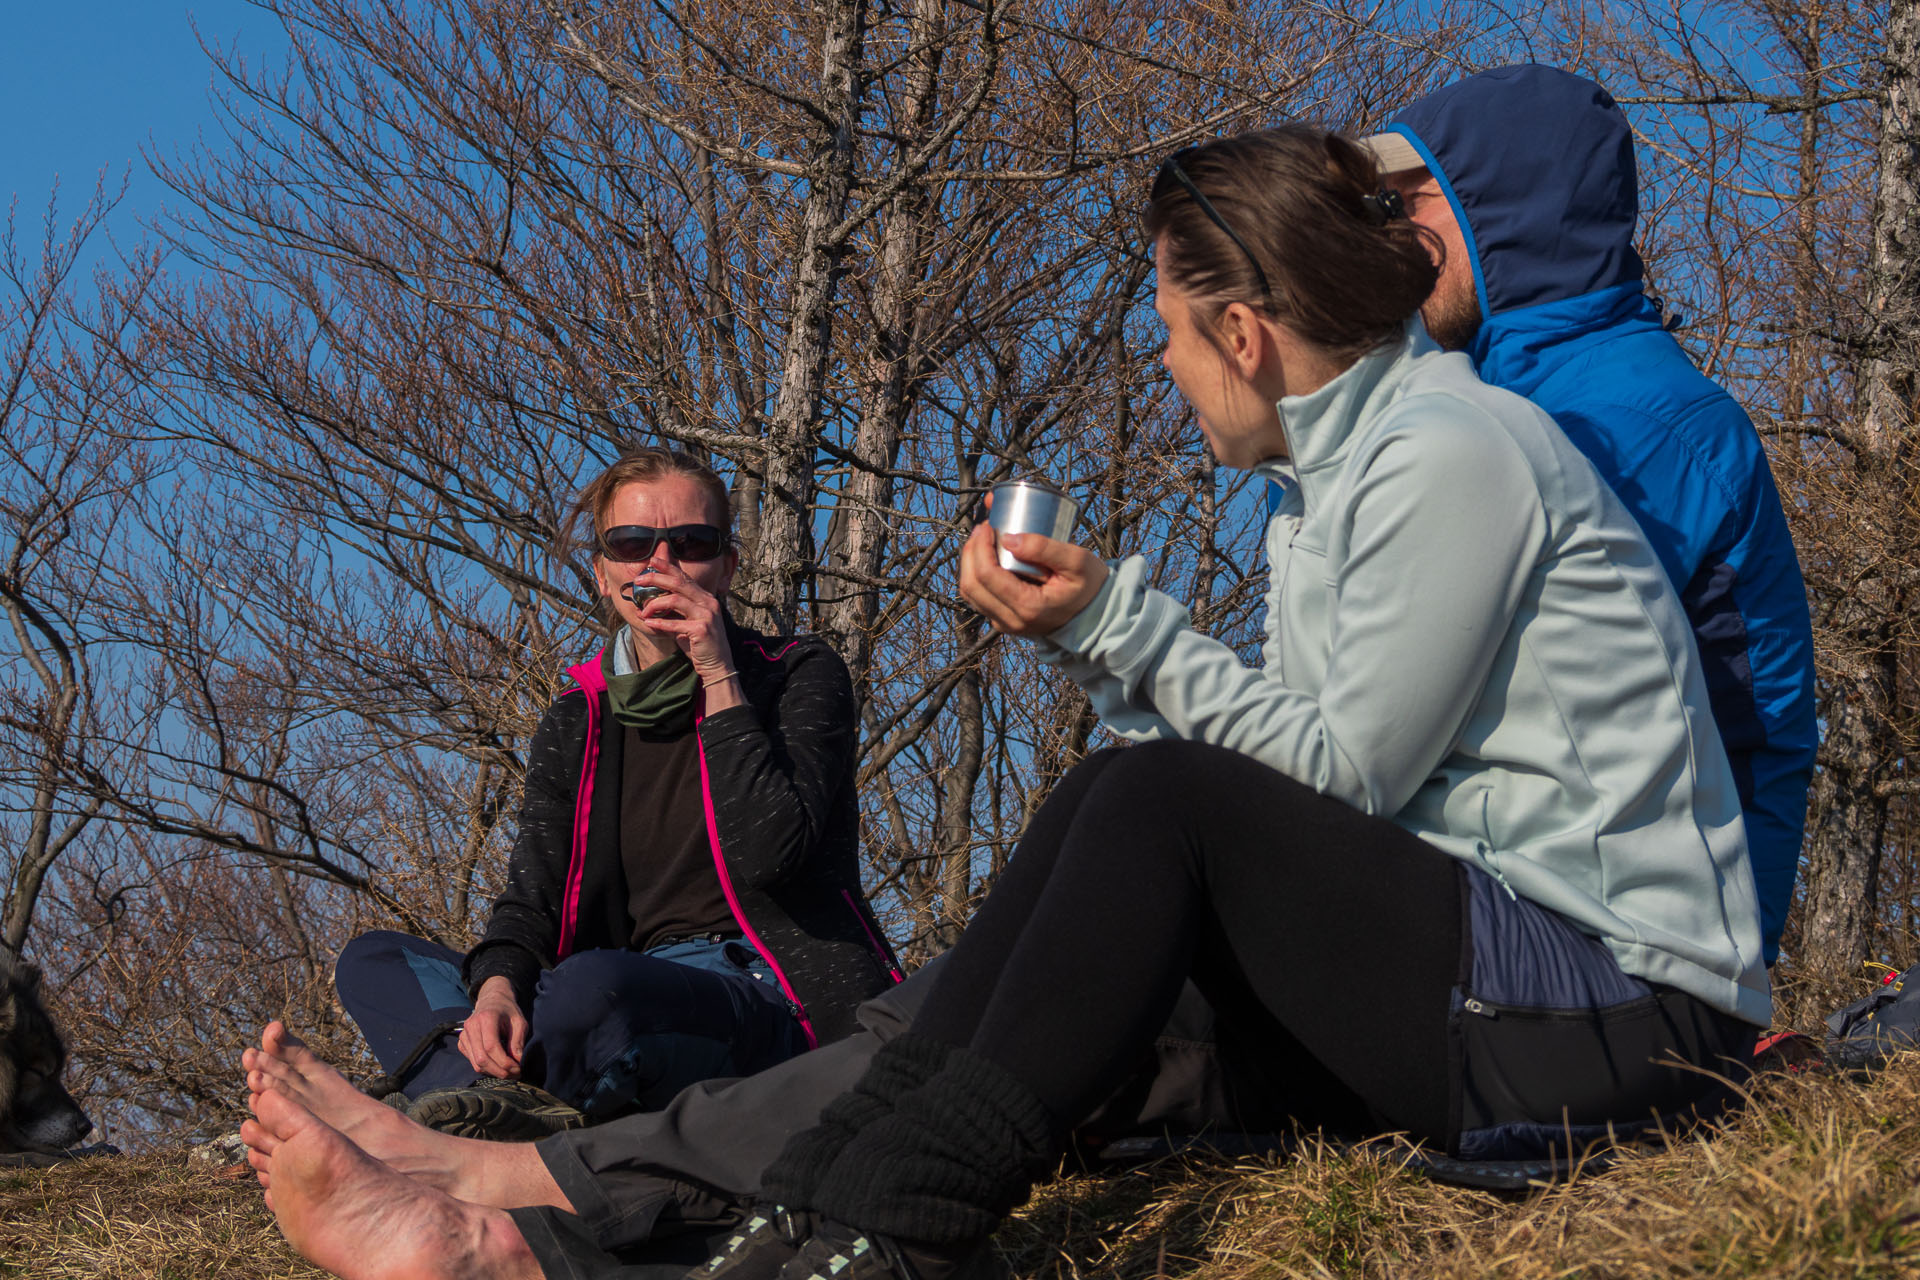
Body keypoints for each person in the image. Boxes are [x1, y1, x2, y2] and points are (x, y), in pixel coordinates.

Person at [239, 123, 1770, 1280]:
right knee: (1017, 995)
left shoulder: (1453, 453)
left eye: (1175, 336)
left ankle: (879, 1230)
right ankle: (530, 1215)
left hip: (1615, 1013)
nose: (1171, 372)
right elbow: (1290, 782)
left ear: (1246, 334)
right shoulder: (1336, 491)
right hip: (1478, 980)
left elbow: (1335, 783)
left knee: (1139, 807)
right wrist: (1107, 654)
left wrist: (1116, 621)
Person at [1360, 64, 1817, 965]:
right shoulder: (1484, 400)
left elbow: (1439, 691)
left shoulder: (1629, 424)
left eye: (1403, 206)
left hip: (1640, 940)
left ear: (1503, 214)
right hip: (1550, 888)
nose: (1387, 239)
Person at [330, 447, 901, 1140]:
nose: (659, 565)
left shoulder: (798, 676)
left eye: (691, 544)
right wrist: (498, 990)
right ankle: (484, 1101)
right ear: (603, 574)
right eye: (632, 544)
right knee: (380, 963)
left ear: (728, 565)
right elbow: (531, 898)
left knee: (592, 992)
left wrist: (718, 672)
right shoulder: (577, 719)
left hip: (759, 996)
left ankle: (458, 1112)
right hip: (606, 987)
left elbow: (770, 853)